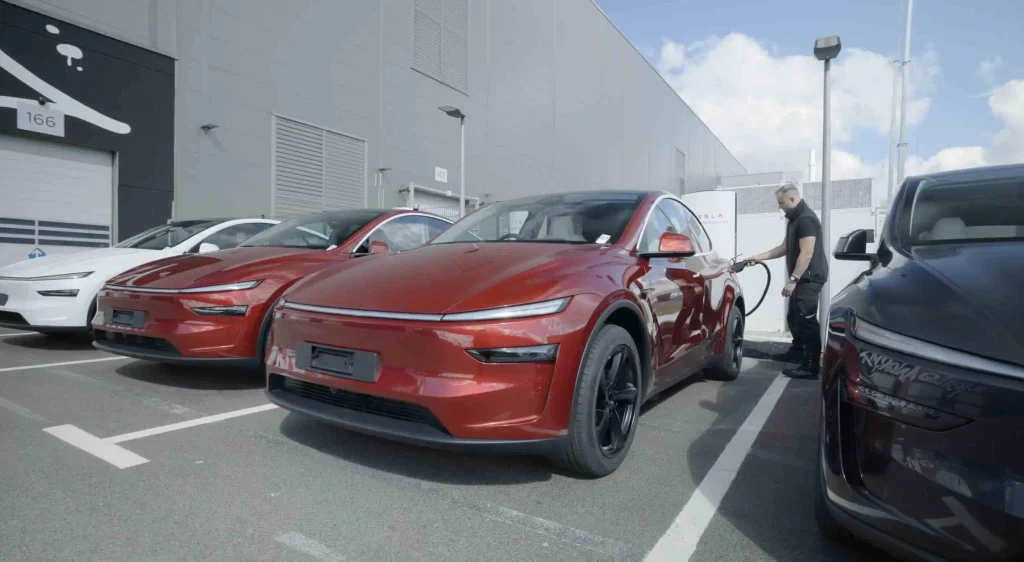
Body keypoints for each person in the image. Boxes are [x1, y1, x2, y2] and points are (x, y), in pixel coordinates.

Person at [744, 184, 829, 379]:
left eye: (781, 203)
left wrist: (793, 280)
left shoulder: (806, 219)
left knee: (806, 320)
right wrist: (759, 257)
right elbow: (784, 248)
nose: (779, 207)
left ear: (792, 199)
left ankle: (810, 367)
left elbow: (807, 253)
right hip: (801, 279)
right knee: (794, 317)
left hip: (809, 279)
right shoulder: (794, 219)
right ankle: (797, 352)